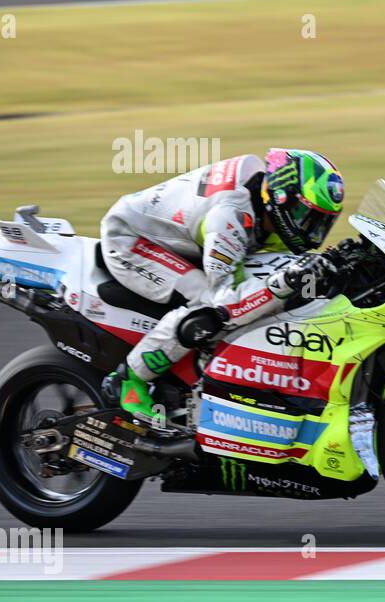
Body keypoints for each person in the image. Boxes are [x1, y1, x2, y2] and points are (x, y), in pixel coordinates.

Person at [98, 148, 345, 421]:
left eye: (323, 222)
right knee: (208, 304)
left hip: (185, 237)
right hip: (131, 240)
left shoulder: (265, 202)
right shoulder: (230, 218)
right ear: (281, 198)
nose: (313, 230)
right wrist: (281, 284)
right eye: (306, 217)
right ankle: (128, 380)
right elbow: (223, 300)